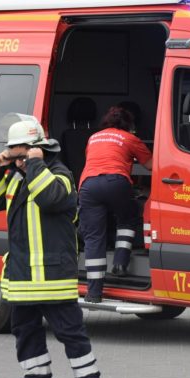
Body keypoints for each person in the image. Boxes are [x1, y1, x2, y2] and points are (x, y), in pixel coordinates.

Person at [0, 114, 101, 378]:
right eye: (14, 155)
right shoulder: (16, 177)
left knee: (69, 331)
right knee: (25, 330)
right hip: (23, 275)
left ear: (38, 149)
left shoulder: (59, 174)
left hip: (52, 275)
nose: (18, 161)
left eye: (21, 154)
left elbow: (49, 198)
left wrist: (35, 162)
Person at [78, 106, 152, 303]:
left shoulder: (94, 137)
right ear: (128, 124)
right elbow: (151, 164)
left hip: (88, 185)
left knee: (94, 236)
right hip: (116, 183)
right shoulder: (129, 138)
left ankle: (93, 293)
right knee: (128, 218)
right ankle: (120, 262)